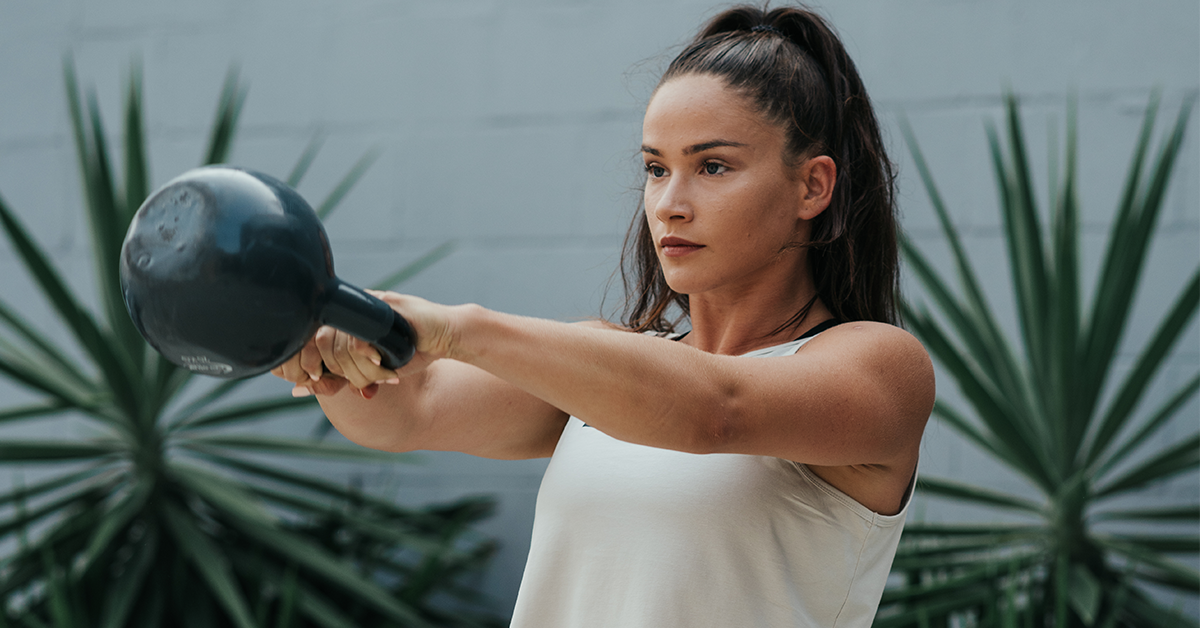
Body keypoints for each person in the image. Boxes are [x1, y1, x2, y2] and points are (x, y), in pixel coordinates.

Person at [274, 4, 934, 626]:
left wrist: (460, 329)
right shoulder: (604, 367)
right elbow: (408, 410)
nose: (670, 204)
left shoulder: (879, 367)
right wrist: (329, 358)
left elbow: (716, 409)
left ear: (812, 185)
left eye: (712, 166)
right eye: (655, 168)